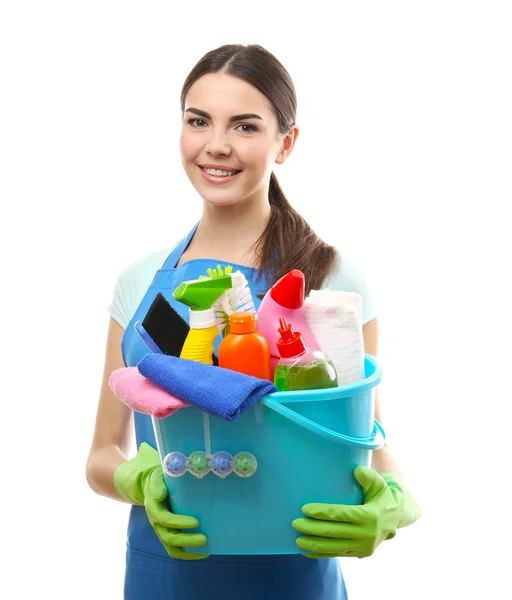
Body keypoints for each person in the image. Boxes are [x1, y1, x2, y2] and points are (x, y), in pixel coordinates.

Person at [86, 43, 420, 600]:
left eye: (244, 126)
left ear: (285, 143)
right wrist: (134, 479)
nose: (216, 145)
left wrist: (396, 502)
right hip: (163, 570)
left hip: (293, 576)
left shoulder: (332, 278)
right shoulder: (139, 281)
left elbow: (367, 437)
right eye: (199, 121)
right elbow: (101, 456)